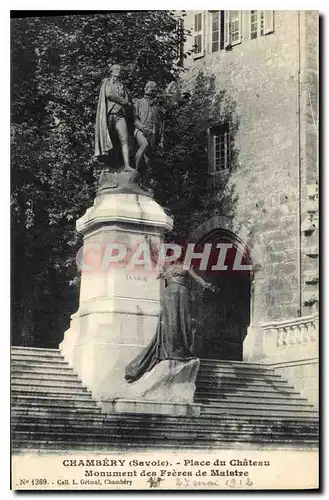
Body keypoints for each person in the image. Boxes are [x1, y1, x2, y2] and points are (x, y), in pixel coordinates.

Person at [125, 237, 216, 383]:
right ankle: (171, 349)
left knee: (183, 321)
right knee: (171, 322)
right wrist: (148, 245)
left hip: (183, 296)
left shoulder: (186, 266)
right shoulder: (166, 264)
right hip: (170, 297)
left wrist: (206, 284)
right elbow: (153, 257)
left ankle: (181, 349)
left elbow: (197, 278)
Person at [94, 64, 133, 172]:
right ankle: (108, 166)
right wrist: (124, 101)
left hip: (120, 114)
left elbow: (126, 98)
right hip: (109, 114)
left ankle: (127, 165)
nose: (118, 71)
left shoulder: (122, 85)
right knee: (108, 140)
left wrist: (128, 102)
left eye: (120, 69)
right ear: (111, 71)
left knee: (124, 139)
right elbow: (109, 94)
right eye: (116, 69)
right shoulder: (107, 82)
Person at [134, 81, 163, 189]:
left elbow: (159, 123)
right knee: (144, 145)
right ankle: (135, 171)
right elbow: (135, 119)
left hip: (153, 133)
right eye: (147, 86)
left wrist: (160, 137)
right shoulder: (139, 102)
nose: (148, 88)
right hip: (140, 130)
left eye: (151, 87)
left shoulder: (156, 107)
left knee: (148, 159)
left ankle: (144, 183)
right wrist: (142, 127)